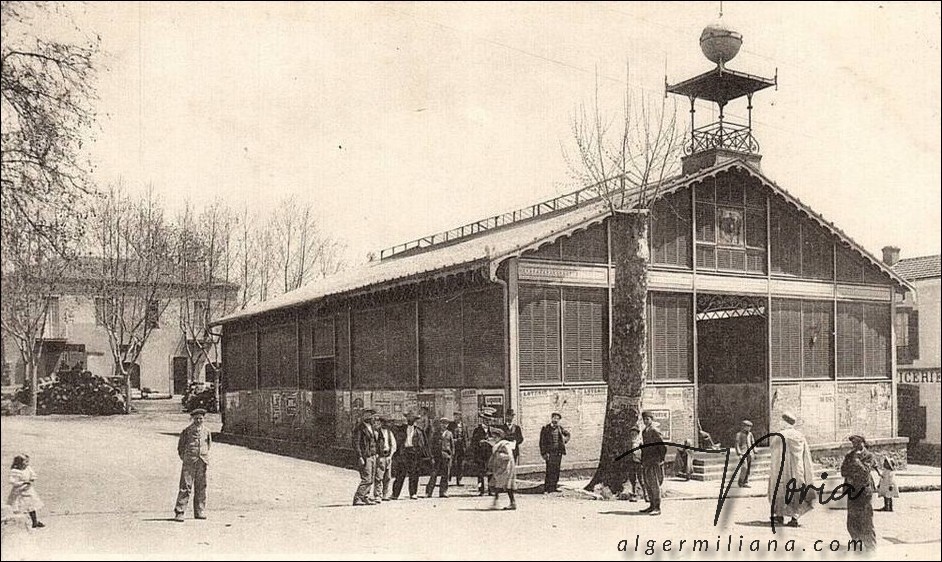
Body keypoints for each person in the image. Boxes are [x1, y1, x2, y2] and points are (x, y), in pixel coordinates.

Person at [768, 412, 815, 527]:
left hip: (782, 469)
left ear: (784, 422)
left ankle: (779, 515)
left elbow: (773, 451)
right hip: (797, 469)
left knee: (780, 490)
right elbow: (806, 454)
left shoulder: (780, 435)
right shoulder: (799, 436)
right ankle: (795, 517)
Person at [174, 408, 212, 521]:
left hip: (202, 461)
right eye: (196, 418)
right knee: (185, 486)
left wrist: (203, 455)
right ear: (193, 419)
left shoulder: (207, 431)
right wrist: (186, 458)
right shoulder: (187, 431)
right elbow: (181, 446)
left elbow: (208, 445)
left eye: (201, 418)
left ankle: (200, 511)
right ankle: (180, 512)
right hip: (190, 461)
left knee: (201, 487)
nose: (199, 420)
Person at [841, 435, 877, 550]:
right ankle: (856, 542)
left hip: (864, 491)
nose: (855, 445)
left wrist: (856, 461)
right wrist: (851, 472)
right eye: (853, 443)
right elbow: (843, 470)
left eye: (857, 442)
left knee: (866, 519)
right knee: (852, 519)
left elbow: (865, 471)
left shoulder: (869, 456)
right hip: (852, 490)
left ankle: (870, 546)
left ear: (863, 442)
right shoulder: (849, 456)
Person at [391, 411, 428, 500]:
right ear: (406, 419)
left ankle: (413, 493)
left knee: (414, 474)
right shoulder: (401, 429)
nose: (410, 419)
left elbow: (424, 444)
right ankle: (395, 494)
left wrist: (424, 455)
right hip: (403, 453)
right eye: (408, 418)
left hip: (414, 453)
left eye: (412, 418)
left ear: (415, 420)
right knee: (400, 474)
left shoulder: (419, 431)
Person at [640, 410, 667, 516]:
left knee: (654, 484)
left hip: (654, 460)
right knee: (648, 484)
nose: (646, 421)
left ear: (651, 419)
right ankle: (651, 505)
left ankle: (657, 507)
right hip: (647, 460)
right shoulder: (644, 431)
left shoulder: (654, 430)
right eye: (644, 419)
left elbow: (662, 446)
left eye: (648, 419)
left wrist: (661, 459)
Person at [7, 455, 44, 528]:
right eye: (26, 461)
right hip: (19, 491)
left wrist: (31, 480)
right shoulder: (15, 471)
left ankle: (34, 522)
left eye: (28, 461)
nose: (27, 463)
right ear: (20, 462)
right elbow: (12, 482)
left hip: (28, 490)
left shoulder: (28, 468)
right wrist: (23, 482)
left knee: (31, 506)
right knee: (19, 507)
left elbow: (33, 475)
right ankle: (20, 523)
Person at [352, 409, 379, 506]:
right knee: (366, 478)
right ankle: (358, 497)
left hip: (373, 455)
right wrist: (360, 456)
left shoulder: (371, 427)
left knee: (371, 478)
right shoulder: (360, 428)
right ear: (365, 416)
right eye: (370, 415)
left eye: (372, 415)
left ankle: (365, 497)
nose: (372, 417)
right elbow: (356, 444)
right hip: (365, 455)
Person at [539, 412, 570, 494]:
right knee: (549, 470)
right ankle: (547, 488)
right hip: (549, 453)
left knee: (556, 470)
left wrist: (564, 441)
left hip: (558, 453)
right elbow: (542, 442)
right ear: (551, 418)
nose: (556, 420)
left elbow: (568, 435)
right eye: (554, 418)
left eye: (557, 418)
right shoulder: (545, 428)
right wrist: (544, 453)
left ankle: (554, 487)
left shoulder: (560, 428)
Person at [487, 428, 517, 510]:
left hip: (506, 468)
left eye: (495, 437)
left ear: (500, 437)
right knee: (500, 485)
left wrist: (500, 455)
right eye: (493, 437)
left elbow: (509, 456)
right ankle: (498, 502)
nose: (494, 438)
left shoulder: (504, 444)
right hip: (500, 468)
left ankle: (509, 503)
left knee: (505, 485)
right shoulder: (498, 445)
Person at [426, 417, 454, 498]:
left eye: (446, 423)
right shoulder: (436, 433)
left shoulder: (449, 434)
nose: (444, 425)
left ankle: (443, 492)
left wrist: (451, 456)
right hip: (437, 456)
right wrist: (431, 456)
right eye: (442, 423)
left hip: (446, 456)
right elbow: (431, 445)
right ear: (440, 424)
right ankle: (429, 492)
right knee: (434, 474)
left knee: (445, 474)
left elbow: (452, 446)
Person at [374, 416, 398, 502]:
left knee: (387, 477)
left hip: (388, 456)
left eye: (387, 422)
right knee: (379, 477)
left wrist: (390, 456)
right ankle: (377, 495)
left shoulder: (389, 433)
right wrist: (376, 455)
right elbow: (374, 445)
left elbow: (394, 445)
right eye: (383, 422)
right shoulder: (376, 432)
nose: (385, 424)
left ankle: (385, 494)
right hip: (380, 456)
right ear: (381, 423)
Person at [471, 414, 493, 496]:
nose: (488, 421)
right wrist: (480, 442)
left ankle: (491, 490)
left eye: (489, 420)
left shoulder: (491, 430)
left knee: (490, 473)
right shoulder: (477, 430)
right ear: (483, 420)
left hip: (489, 455)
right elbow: (473, 443)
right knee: (480, 474)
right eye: (486, 420)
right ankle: (481, 490)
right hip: (480, 455)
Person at [626, 427, 646, 502]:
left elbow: (643, 452)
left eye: (635, 433)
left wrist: (642, 461)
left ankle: (645, 495)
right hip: (630, 462)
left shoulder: (640, 442)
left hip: (638, 462)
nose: (633, 435)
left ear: (637, 434)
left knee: (641, 479)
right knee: (632, 479)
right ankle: (633, 494)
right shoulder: (629, 442)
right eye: (632, 434)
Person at [735, 420, 756, 488]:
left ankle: (745, 482)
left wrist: (754, 450)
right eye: (748, 426)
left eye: (750, 427)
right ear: (744, 427)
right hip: (743, 453)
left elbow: (753, 442)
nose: (749, 428)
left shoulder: (750, 434)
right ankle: (740, 482)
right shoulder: (739, 434)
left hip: (750, 453)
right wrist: (739, 454)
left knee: (748, 468)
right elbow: (737, 444)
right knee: (744, 467)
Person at [449, 413, 467, 486]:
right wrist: (454, 440)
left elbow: (466, 436)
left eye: (458, 416)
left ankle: (459, 479)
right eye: (455, 416)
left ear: (460, 416)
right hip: (453, 446)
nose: (456, 417)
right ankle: (448, 477)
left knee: (460, 463)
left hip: (461, 447)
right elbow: (448, 435)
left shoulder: (464, 425)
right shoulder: (451, 425)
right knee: (452, 462)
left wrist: (465, 446)